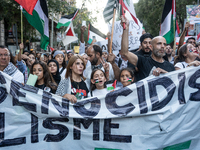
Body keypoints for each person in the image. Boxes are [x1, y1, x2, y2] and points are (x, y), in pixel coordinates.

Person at [120, 16, 175, 81]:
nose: (162, 46)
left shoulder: (170, 66)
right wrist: (126, 29)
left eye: (164, 44)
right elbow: (125, 52)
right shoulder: (143, 62)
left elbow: (176, 83)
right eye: (159, 43)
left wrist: (165, 74)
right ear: (151, 47)